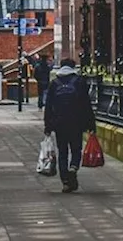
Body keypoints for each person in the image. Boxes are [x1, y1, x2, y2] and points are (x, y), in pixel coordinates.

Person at [43, 57, 96, 193]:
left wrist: (48, 126)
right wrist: (91, 124)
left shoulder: (54, 83)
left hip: (59, 123)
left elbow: (48, 106)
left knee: (63, 152)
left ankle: (65, 181)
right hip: (76, 122)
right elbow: (86, 105)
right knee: (76, 149)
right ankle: (73, 168)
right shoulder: (79, 82)